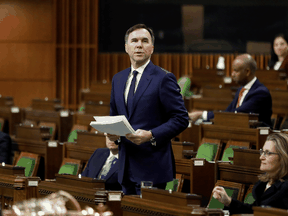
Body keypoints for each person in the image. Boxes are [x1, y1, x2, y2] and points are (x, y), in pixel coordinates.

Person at [107, 24, 189, 195]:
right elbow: (114, 115)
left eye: (145, 41)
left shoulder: (164, 78)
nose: (139, 45)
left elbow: (181, 119)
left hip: (152, 166)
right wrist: (111, 133)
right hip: (125, 165)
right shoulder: (118, 79)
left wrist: (151, 135)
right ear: (126, 47)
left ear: (152, 48)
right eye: (134, 41)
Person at [212, 132, 288, 214]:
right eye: (262, 152)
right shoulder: (264, 184)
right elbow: (253, 211)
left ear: (283, 157)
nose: (261, 157)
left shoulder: (286, 188)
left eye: (268, 153)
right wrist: (228, 201)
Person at [189, 54, 272, 128]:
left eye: (236, 71)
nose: (232, 74)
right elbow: (227, 112)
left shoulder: (260, 92)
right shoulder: (241, 89)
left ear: (247, 72)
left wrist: (201, 114)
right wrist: (202, 115)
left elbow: (236, 114)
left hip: (261, 136)